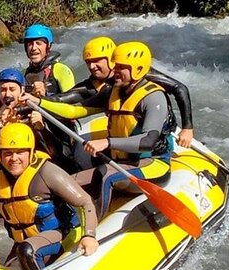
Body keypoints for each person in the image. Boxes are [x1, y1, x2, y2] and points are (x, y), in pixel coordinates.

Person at [25, 41, 176, 219]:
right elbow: (73, 111)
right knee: (66, 182)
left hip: (152, 164)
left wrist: (107, 142)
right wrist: (39, 102)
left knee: (106, 176)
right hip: (119, 163)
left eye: (121, 67)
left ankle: (93, 226)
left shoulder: (153, 97)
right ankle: (63, 222)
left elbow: (148, 141)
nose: (115, 70)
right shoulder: (112, 92)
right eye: (115, 65)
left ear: (138, 69)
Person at [0, 123, 99, 270]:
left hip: (60, 236)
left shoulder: (47, 172)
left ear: (31, 152)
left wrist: (89, 235)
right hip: (22, 244)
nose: (14, 158)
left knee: (27, 251)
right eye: (8, 153)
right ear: (0, 154)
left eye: (20, 152)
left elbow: (85, 202)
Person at [51, 35, 195, 149]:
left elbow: (179, 88)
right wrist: (40, 99)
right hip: (125, 135)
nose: (92, 66)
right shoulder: (92, 86)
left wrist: (187, 128)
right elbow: (62, 99)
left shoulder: (140, 75)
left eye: (97, 60)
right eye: (88, 62)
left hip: (156, 134)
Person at [22, 24, 75, 97]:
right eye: (30, 44)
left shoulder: (61, 70)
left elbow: (72, 101)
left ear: (48, 46)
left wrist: (46, 94)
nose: (34, 48)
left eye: (38, 43)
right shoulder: (27, 73)